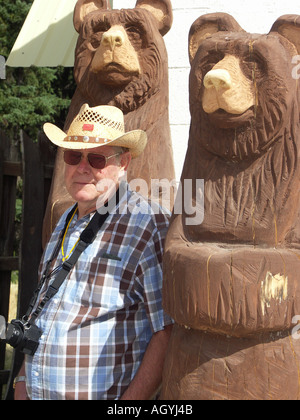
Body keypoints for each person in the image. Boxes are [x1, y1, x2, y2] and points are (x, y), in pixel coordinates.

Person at [14, 104, 173, 400]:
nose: (82, 168)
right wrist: (22, 382)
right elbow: (45, 310)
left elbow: (167, 332)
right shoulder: (66, 219)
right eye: (73, 155)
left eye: (97, 158)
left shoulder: (148, 224)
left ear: (123, 162)